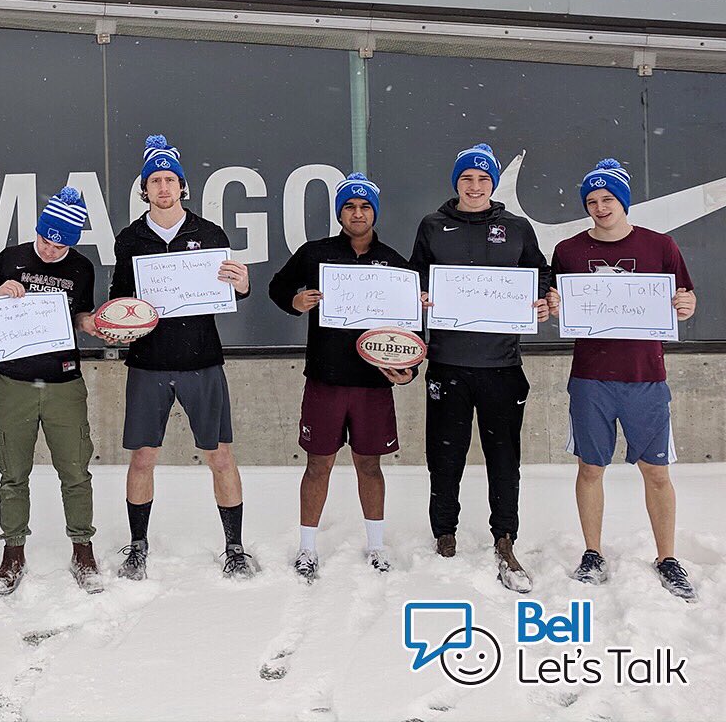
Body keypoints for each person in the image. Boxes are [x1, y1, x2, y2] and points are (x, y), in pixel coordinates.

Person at [547, 158, 698, 601]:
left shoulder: (660, 246)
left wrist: (686, 306)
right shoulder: (569, 251)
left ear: (624, 201)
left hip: (645, 376)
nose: (599, 207)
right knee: (591, 467)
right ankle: (592, 553)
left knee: (655, 470)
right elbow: (558, 302)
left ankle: (667, 557)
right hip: (591, 378)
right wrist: (555, 304)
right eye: (591, 201)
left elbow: (684, 298)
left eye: (607, 198)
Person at [109, 134, 255, 580]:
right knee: (142, 459)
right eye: (155, 180)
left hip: (201, 360)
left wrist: (242, 284)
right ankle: (137, 545)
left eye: (170, 179)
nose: (164, 187)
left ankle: (234, 546)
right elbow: (119, 299)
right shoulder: (130, 238)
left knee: (221, 457)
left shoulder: (209, 233)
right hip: (148, 363)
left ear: (182, 186)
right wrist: (115, 320)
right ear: (145, 190)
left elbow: (231, 294)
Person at [410, 143, 551, 593]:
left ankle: (504, 535)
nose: (475, 186)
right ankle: (444, 531)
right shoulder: (433, 225)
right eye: (467, 179)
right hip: (448, 363)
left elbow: (540, 273)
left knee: (504, 457)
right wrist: (420, 297)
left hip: (502, 366)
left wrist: (543, 299)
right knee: (444, 455)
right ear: (456, 183)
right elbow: (417, 277)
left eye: (483, 179)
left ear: (493, 184)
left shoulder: (515, 227)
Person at [269, 173, 415, 583]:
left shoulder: (395, 264)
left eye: (365, 206)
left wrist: (407, 370)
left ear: (375, 213)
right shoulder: (315, 253)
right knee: (319, 465)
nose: (357, 213)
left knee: (370, 466)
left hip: (372, 384)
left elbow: (410, 329)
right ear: (339, 213)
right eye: (349, 206)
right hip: (325, 380)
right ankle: (307, 548)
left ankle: (377, 545)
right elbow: (278, 288)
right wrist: (295, 301)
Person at [0, 187, 107, 595]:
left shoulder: (82, 267)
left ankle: (82, 547)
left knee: (75, 470)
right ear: (37, 231)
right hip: (14, 380)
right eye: (45, 240)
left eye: (60, 243)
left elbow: (82, 312)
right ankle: (13, 552)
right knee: (12, 472)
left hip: (64, 381)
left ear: (74, 240)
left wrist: (90, 325)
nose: (50, 250)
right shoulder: (11, 257)